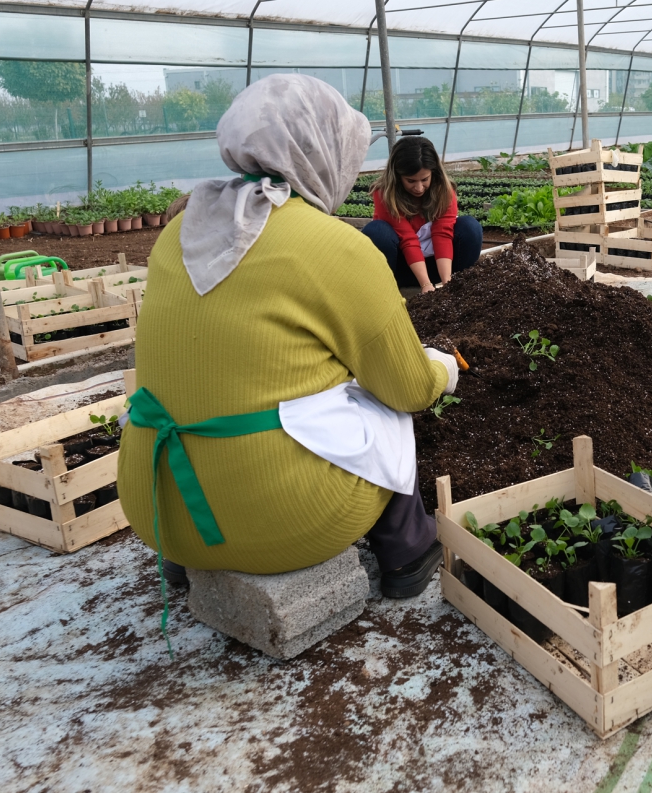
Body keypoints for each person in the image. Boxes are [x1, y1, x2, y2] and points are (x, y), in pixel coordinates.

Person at [118, 74, 458, 600]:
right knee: (383, 399)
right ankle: (406, 551)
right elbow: (409, 387)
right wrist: (443, 368)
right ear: (324, 152)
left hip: (155, 506)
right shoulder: (335, 246)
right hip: (283, 520)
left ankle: (186, 559)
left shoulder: (180, 231)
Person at [363, 136, 482, 293]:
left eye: (425, 179)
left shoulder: (444, 190)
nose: (419, 188)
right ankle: (386, 290)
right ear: (397, 176)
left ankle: (457, 282)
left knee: (470, 227)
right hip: (400, 268)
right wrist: (425, 285)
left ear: (434, 172)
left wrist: (447, 283)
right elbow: (407, 239)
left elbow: (443, 234)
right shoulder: (385, 194)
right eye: (411, 181)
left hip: (434, 265)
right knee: (377, 231)